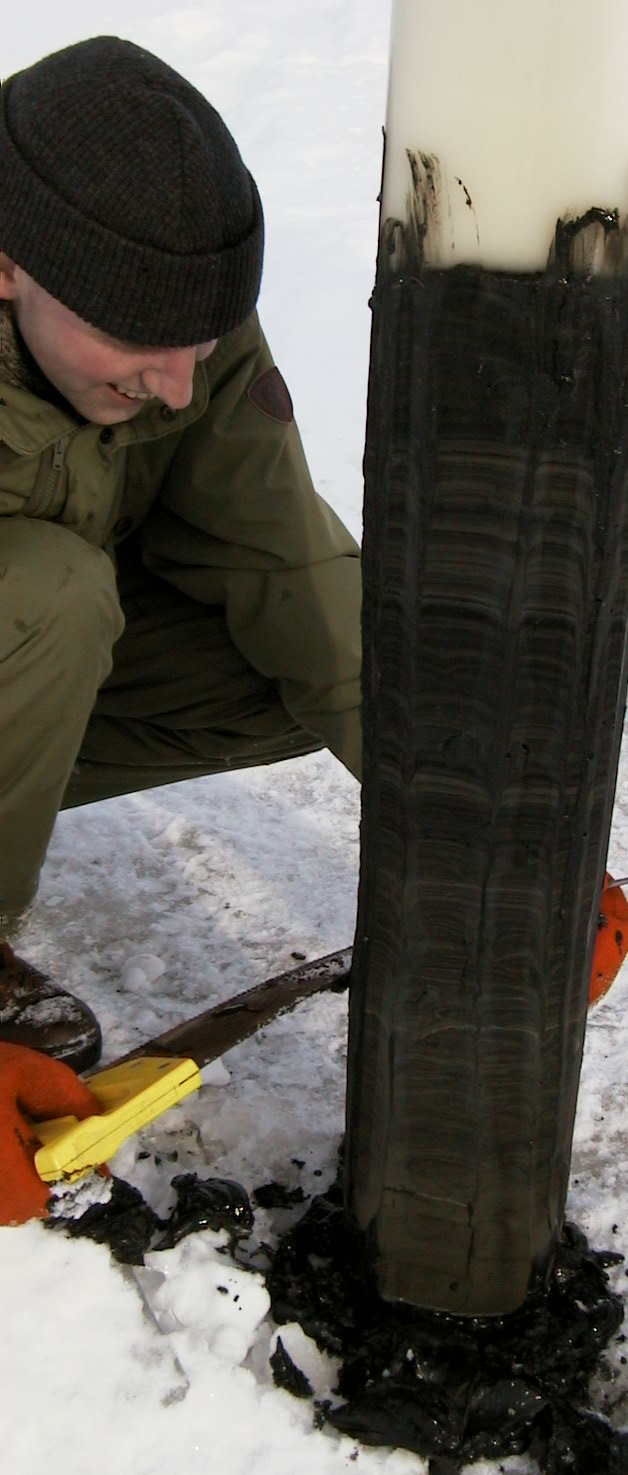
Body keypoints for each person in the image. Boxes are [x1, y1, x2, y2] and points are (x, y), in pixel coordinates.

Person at [0, 37, 363, 1084]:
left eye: (199, 346)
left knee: (302, 660)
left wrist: (466, 823)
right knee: (46, 593)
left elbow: (289, 569)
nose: (173, 388)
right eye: (141, 345)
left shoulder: (173, 328)